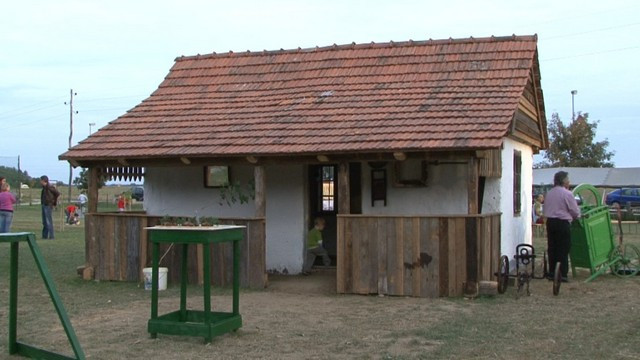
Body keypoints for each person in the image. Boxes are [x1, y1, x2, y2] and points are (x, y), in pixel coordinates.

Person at [543, 171, 581, 282]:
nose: (569, 182)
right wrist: (578, 216)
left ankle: (552, 272)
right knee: (563, 248)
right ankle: (562, 274)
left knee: (552, 247)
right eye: (568, 180)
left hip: (550, 222)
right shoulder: (567, 194)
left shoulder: (549, 193)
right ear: (564, 181)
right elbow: (574, 210)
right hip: (562, 222)